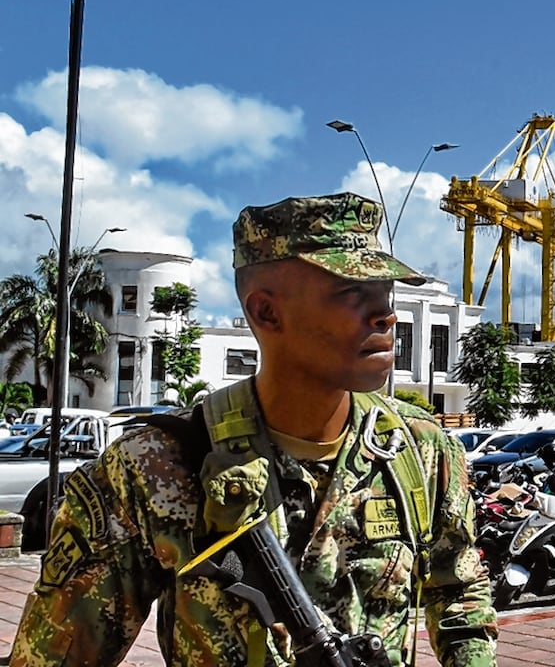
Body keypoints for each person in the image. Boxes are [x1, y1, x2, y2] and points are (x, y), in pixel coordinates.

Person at [11, 193, 498, 666]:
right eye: (351, 293)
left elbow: (459, 596)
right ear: (266, 311)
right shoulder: (154, 465)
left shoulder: (419, 449)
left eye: (384, 293)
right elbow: (59, 651)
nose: (385, 314)